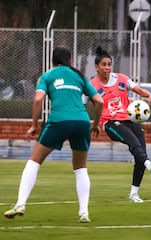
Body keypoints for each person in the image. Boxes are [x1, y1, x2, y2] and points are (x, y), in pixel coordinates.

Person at [3, 46, 104, 223]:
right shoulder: (79, 76)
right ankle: (84, 212)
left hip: (59, 121)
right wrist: (95, 125)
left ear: (52, 61)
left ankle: (20, 203)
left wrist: (34, 125)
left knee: (34, 161)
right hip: (81, 121)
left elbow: (37, 99)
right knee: (81, 168)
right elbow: (99, 101)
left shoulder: (47, 76)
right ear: (70, 60)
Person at [90, 46, 151, 203]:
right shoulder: (92, 85)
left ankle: (134, 194)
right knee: (134, 144)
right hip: (110, 123)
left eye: (109, 64)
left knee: (140, 153)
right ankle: (149, 165)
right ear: (96, 67)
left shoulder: (121, 79)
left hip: (130, 120)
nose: (107, 68)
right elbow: (79, 102)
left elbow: (138, 89)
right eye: (104, 64)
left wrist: (149, 95)